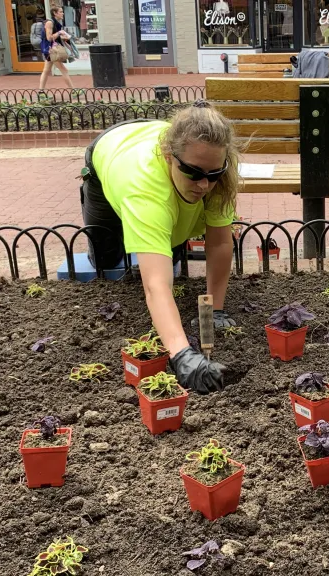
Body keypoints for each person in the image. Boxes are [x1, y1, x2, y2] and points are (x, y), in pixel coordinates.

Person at [80, 101, 240, 393]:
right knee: (107, 257)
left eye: (213, 175)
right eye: (194, 172)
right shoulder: (144, 187)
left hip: (155, 146)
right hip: (112, 151)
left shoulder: (216, 162)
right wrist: (182, 355)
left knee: (169, 240)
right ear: (169, 156)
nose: (205, 184)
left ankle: (159, 232)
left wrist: (214, 309)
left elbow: (218, 243)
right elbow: (155, 285)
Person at [39, 5, 75, 92]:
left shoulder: (56, 23)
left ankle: (41, 92)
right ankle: (73, 91)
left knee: (46, 70)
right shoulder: (50, 23)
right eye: (60, 12)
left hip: (51, 49)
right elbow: (49, 38)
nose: (63, 13)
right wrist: (59, 32)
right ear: (55, 13)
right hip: (51, 50)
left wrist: (63, 37)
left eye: (62, 11)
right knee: (64, 70)